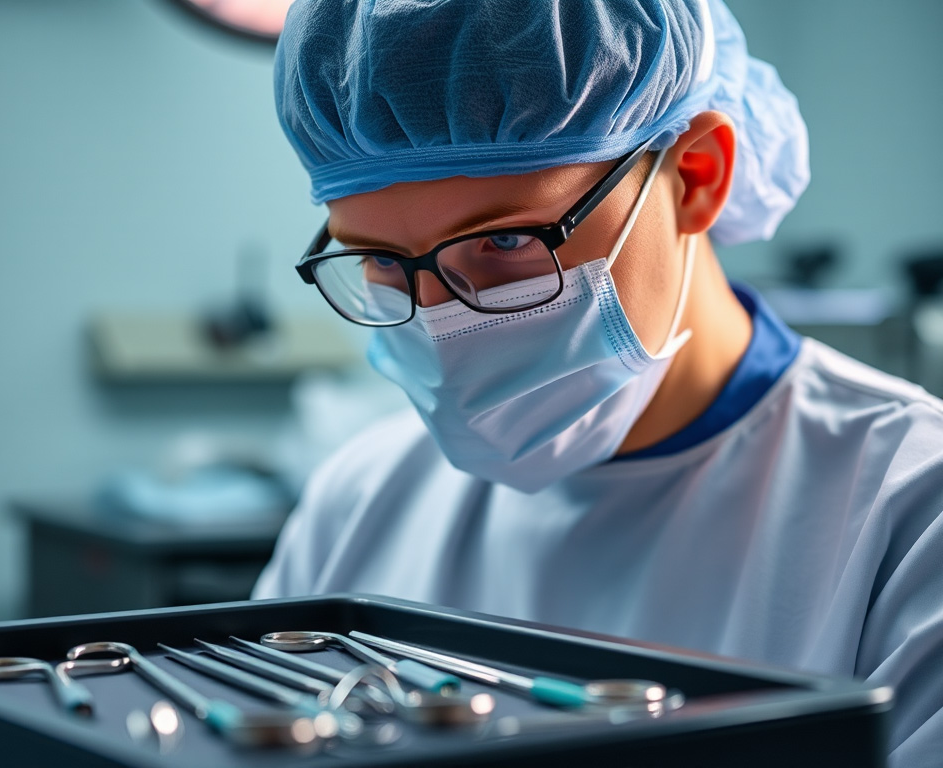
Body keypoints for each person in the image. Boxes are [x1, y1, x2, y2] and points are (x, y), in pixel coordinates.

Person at [253, 1, 943, 763]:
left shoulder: (911, 515)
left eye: (504, 241)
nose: (441, 324)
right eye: (383, 260)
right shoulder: (359, 501)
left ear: (695, 176)